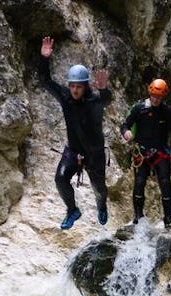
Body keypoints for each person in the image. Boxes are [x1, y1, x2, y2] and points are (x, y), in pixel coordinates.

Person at [39, 36, 112, 229]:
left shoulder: (94, 102)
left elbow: (106, 101)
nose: (75, 90)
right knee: (60, 179)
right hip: (73, 151)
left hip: (94, 154)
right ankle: (72, 210)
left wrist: (104, 90)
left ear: (86, 86)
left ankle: (101, 205)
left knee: (100, 189)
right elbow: (45, 81)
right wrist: (45, 59)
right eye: (72, 86)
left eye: (79, 86)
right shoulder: (65, 96)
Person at [121, 79, 171, 228]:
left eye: (159, 97)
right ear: (150, 93)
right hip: (141, 151)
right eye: (154, 96)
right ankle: (138, 217)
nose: (155, 99)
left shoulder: (168, 113)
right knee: (139, 182)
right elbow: (125, 124)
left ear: (163, 97)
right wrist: (126, 132)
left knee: (165, 182)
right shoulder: (140, 109)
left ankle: (168, 219)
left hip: (160, 152)